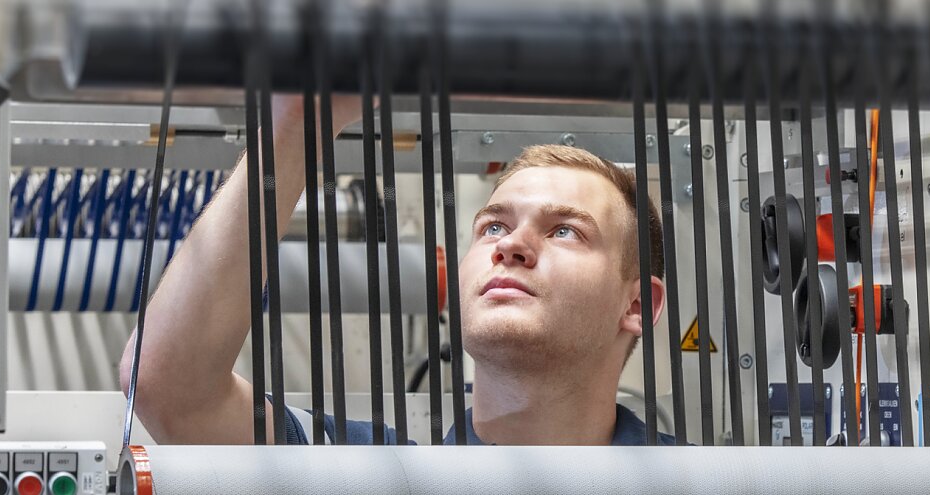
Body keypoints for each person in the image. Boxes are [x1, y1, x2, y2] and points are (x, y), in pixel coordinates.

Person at [119, 95, 675, 445]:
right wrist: (298, 119)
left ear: (635, 305)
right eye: (493, 228)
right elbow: (169, 388)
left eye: (563, 231)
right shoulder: (371, 486)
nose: (512, 247)